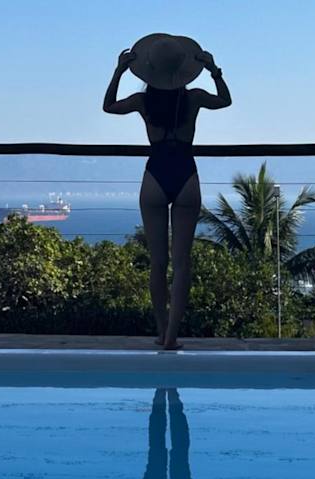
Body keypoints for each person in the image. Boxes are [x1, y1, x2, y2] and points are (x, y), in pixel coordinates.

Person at [103, 34, 231, 350]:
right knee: (182, 263)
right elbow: (225, 100)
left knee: (158, 262)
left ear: (151, 70)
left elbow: (108, 106)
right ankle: (173, 335)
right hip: (186, 174)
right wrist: (214, 70)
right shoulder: (195, 98)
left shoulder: (142, 102)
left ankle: (161, 332)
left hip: (155, 175)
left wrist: (118, 71)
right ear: (183, 70)